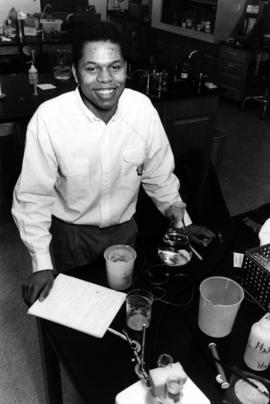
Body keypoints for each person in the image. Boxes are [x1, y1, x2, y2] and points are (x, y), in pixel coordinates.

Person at [12, 22, 215, 307]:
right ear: (75, 73)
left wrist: (183, 223)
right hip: (72, 237)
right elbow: (33, 197)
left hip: (125, 232)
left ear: (126, 68)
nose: (106, 79)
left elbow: (159, 175)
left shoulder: (142, 109)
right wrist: (42, 263)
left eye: (115, 67)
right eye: (92, 68)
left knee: (122, 304)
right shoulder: (49, 120)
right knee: (79, 312)